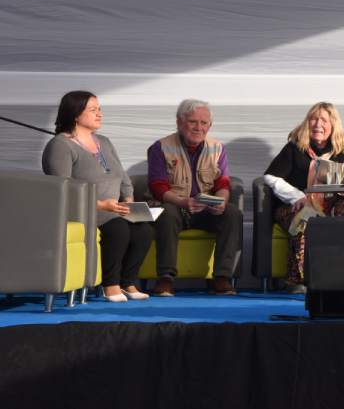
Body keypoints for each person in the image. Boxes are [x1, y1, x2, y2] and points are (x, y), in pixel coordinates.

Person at [42, 91, 153, 303]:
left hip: (114, 209)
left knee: (144, 230)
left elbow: (123, 177)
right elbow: (61, 189)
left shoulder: (104, 141)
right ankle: (110, 285)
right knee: (118, 228)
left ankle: (127, 281)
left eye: (99, 109)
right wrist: (102, 205)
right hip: (83, 211)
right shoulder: (60, 146)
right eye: (93, 110)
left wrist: (129, 202)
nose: (99, 114)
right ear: (75, 114)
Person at [147, 99, 242, 296]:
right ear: (179, 122)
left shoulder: (217, 148)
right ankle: (165, 278)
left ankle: (222, 277)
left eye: (204, 123)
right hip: (176, 206)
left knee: (232, 213)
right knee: (167, 213)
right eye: (192, 122)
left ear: (210, 125)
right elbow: (158, 187)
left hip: (205, 209)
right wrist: (183, 202)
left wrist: (221, 201)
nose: (199, 127)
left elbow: (223, 183)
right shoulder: (160, 147)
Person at [263, 102, 344, 294]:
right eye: (313, 119)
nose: (318, 124)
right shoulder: (295, 148)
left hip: (331, 204)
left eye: (324, 120)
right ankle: (298, 280)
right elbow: (270, 176)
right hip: (296, 206)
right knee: (305, 219)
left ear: (333, 124)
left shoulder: (343, 151)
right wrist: (296, 196)